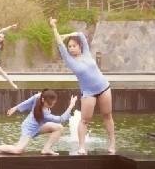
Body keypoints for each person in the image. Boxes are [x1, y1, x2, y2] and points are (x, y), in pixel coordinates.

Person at [49, 18, 115, 154]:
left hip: (104, 87)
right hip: (89, 92)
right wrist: (54, 27)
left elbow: (80, 34)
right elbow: (60, 44)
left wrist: (67, 35)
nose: (71, 48)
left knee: (107, 115)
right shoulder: (70, 60)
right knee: (84, 120)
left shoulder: (86, 52)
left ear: (80, 46)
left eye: (74, 46)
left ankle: (112, 144)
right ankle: (81, 147)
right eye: (69, 47)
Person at [0, 90, 78, 156]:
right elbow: (61, 119)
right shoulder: (44, 112)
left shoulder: (39, 97)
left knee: (59, 127)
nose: (51, 106)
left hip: (38, 126)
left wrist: (15, 108)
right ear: (43, 100)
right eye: (49, 104)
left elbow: (28, 101)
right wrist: (71, 106)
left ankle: (46, 149)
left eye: (53, 104)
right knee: (18, 150)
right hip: (28, 129)